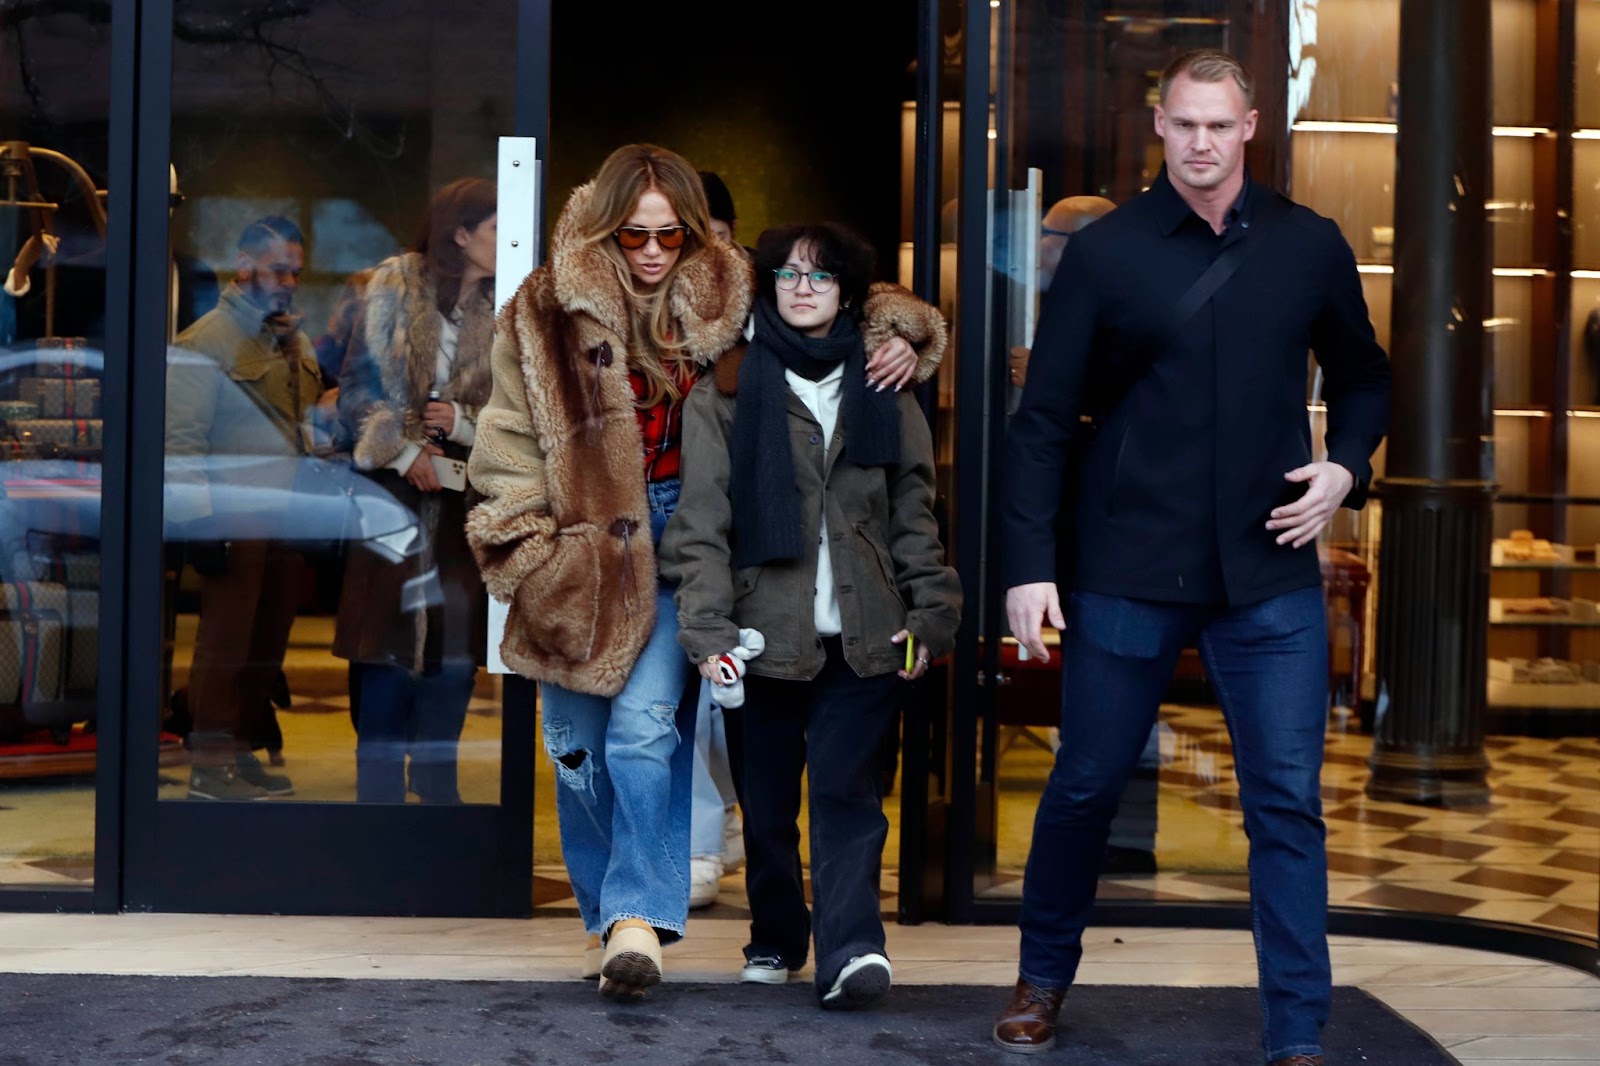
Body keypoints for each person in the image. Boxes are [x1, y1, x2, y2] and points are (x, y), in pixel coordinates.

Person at [991, 49, 1391, 1065]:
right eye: (1184, 125)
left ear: (1249, 127)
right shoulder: (1108, 252)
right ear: (1158, 128)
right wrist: (1030, 564)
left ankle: (1297, 1030)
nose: (1201, 143)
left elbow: (1363, 377)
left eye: (1219, 125)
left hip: (1268, 569)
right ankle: (1041, 981)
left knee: (1284, 805)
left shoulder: (1309, 246)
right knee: (1083, 783)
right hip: (1128, 562)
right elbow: (1041, 422)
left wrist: (1345, 467)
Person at [465, 143, 934, 1001]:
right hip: (572, 547)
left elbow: (837, 291)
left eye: (669, 236)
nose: (651, 253)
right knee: (575, 751)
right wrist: (527, 549)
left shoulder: (727, 290)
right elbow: (504, 442)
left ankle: (637, 922)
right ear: (602, 229)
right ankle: (610, 914)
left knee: (645, 726)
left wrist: (903, 332)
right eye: (632, 236)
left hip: (687, 531)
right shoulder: (540, 308)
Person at [661, 221, 960, 1011]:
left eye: (820, 278)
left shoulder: (884, 384)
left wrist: (932, 614)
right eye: (788, 276)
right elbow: (699, 524)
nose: (802, 289)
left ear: (848, 294)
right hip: (766, 632)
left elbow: (914, 513)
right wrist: (709, 631)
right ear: (766, 287)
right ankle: (777, 937)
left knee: (844, 791)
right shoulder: (725, 388)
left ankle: (853, 949)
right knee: (766, 806)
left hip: (869, 633)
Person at [333, 177, 497, 805]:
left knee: (451, 665)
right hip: (388, 509)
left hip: (466, 513)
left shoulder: (507, 306)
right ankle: (375, 819)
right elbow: (352, 395)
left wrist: (464, 426)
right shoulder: (395, 287)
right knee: (382, 661)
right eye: (493, 230)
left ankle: (438, 813)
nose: (505, 242)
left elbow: (528, 421)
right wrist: (403, 453)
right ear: (461, 234)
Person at [167, 215, 325, 800]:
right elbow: (180, 440)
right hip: (231, 514)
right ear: (244, 265)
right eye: (279, 268)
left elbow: (304, 422)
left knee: (267, 643)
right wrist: (197, 523)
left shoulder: (291, 339)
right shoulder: (206, 339)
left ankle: (240, 747)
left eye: (296, 271)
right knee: (226, 642)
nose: (288, 280)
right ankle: (209, 766)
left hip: (287, 511)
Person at [687, 168, 748, 910]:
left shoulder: (759, 303)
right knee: (682, 698)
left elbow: (856, 304)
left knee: (732, 698)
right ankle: (700, 840)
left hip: (743, 517)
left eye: (719, 236)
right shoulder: (644, 307)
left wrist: (902, 337)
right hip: (664, 510)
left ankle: (725, 820)